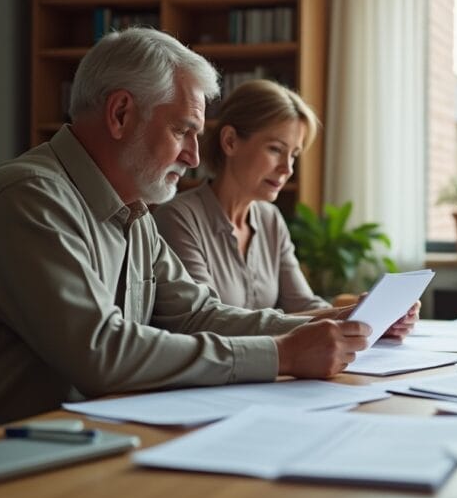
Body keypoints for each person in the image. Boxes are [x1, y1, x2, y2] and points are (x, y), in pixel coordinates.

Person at [0, 29, 372, 421]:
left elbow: (198, 315)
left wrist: (331, 323)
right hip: (0, 452)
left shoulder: (135, 212)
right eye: (182, 131)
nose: (194, 157)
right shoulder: (29, 199)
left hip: (96, 435)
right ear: (121, 113)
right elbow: (101, 352)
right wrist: (281, 354)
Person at [153, 79, 416, 335]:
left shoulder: (270, 219)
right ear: (230, 141)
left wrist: (369, 317)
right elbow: (210, 321)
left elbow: (303, 305)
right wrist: (341, 316)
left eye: (293, 155)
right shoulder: (177, 218)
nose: (287, 168)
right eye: (276, 149)